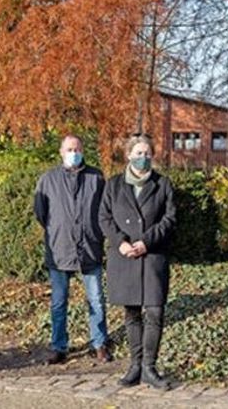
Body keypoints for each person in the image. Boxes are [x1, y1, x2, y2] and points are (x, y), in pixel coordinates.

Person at [99, 134, 176, 390]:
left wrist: (147, 241)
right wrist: (120, 242)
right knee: (131, 313)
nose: (143, 158)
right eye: (139, 153)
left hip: (152, 256)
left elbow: (169, 219)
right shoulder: (113, 185)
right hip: (124, 257)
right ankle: (134, 366)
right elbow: (104, 217)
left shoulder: (163, 184)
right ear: (129, 155)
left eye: (147, 153)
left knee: (155, 312)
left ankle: (149, 368)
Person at [34, 134, 110, 364]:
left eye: (77, 149)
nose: (73, 153)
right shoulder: (48, 180)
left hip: (90, 248)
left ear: (83, 150)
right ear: (61, 152)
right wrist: (59, 229)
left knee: (96, 299)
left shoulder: (96, 177)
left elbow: (104, 210)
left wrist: (95, 233)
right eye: (69, 149)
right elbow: (41, 213)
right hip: (60, 250)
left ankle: (99, 343)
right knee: (59, 302)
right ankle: (59, 346)